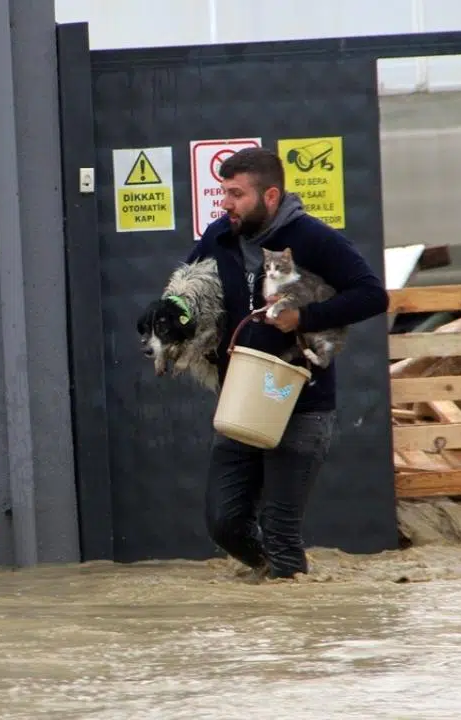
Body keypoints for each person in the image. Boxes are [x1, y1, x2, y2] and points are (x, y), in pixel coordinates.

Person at [183, 146, 388, 580]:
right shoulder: (219, 236)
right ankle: (272, 583)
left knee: (280, 528)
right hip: (241, 397)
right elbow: (188, 288)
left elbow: (373, 295)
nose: (226, 203)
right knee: (223, 521)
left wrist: (304, 317)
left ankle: (291, 602)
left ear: (271, 195)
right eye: (224, 192)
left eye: (237, 194)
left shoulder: (314, 237)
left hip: (302, 400)